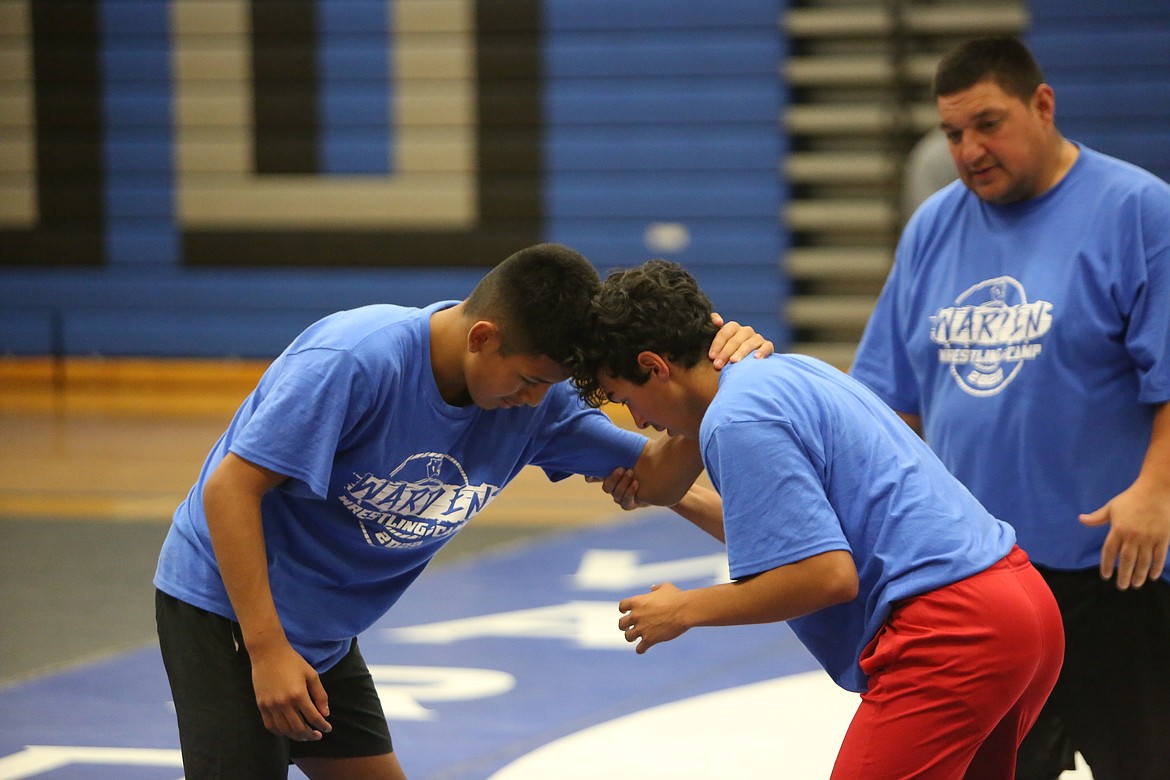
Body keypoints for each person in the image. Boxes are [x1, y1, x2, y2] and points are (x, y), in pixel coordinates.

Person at [152, 243, 771, 780]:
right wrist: (264, 649)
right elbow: (229, 489)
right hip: (229, 614)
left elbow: (665, 481)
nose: (531, 401)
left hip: (322, 632)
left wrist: (711, 378)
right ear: (483, 338)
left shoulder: (537, 403)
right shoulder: (355, 361)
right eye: (527, 380)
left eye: (547, 388)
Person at [568, 258, 1064, 778]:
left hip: (954, 633)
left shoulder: (738, 420)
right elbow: (790, 534)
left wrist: (683, 609)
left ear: (655, 364)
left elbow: (825, 576)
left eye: (628, 400)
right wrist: (678, 497)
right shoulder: (785, 371)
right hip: (1021, 606)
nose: (641, 420)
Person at [850, 35, 1170, 780]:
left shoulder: (1138, 210)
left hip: (1114, 573)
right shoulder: (934, 226)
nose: (969, 150)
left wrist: (1156, 490)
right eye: (953, 133)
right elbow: (886, 403)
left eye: (988, 124)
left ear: (1043, 104)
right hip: (984, 578)